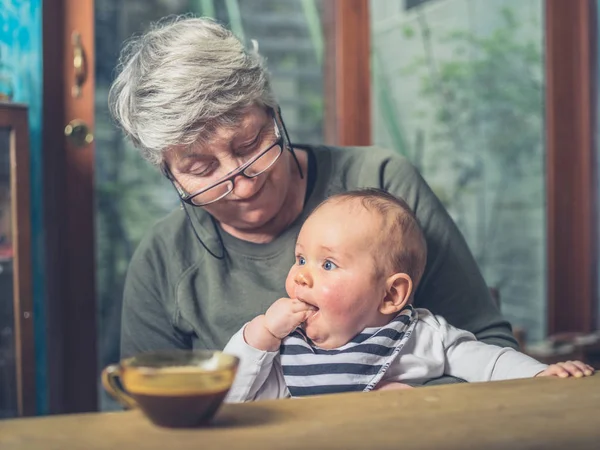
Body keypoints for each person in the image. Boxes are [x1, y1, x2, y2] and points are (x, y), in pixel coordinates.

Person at [111, 15, 517, 386]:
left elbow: (488, 344)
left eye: (251, 144)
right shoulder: (165, 259)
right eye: (201, 171)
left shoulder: (380, 184)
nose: (244, 185)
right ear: (169, 173)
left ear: (273, 111)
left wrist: (412, 407)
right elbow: (150, 411)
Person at [223, 189, 594, 402]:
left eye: (328, 265)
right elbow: (232, 396)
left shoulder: (421, 337)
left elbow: (492, 363)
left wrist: (541, 374)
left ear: (391, 294)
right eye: (301, 258)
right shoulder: (286, 346)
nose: (301, 274)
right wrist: (260, 335)